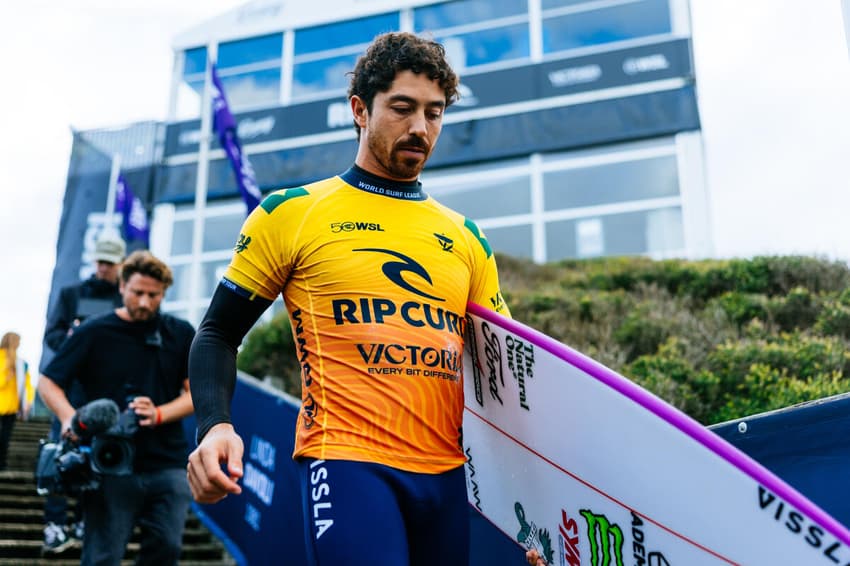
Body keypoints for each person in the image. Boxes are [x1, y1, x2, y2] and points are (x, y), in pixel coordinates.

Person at [186, 31, 511, 565]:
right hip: (345, 460)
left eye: (434, 113)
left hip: (448, 475)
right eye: (402, 108)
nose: (419, 128)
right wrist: (215, 425)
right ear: (360, 109)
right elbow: (218, 333)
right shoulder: (292, 213)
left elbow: (500, 377)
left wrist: (534, 515)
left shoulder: (467, 237)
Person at [38, 250, 196, 566]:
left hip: (168, 462)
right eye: (138, 292)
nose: (144, 302)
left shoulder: (181, 333)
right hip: (109, 463)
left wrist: (159, 413)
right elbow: (48, 382)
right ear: (122, 286)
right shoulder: (93, 331)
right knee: (102, 557)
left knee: (167, 549)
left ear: (163, 293)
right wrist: (70, 418)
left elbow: (195, 394)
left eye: (154, 295)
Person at [40, 231, 126, 554]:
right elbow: (53, 334)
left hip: (106, 394)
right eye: (100, 261)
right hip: (70, 390)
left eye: (110, 263)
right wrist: (77, 348)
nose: (103, 267)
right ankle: (55, 525)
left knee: (98, 457)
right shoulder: (72, 293)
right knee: (60, 452)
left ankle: (82, 521)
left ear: (120, 264)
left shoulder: (123, 298)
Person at [0, 332, 34, 471]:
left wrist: (27, 401)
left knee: (5, 437)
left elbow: (27, 385)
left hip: (12, 407)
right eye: (18, 341)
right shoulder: (3, 360)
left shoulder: (21, 364)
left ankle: (2, 463)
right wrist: (7, 372)